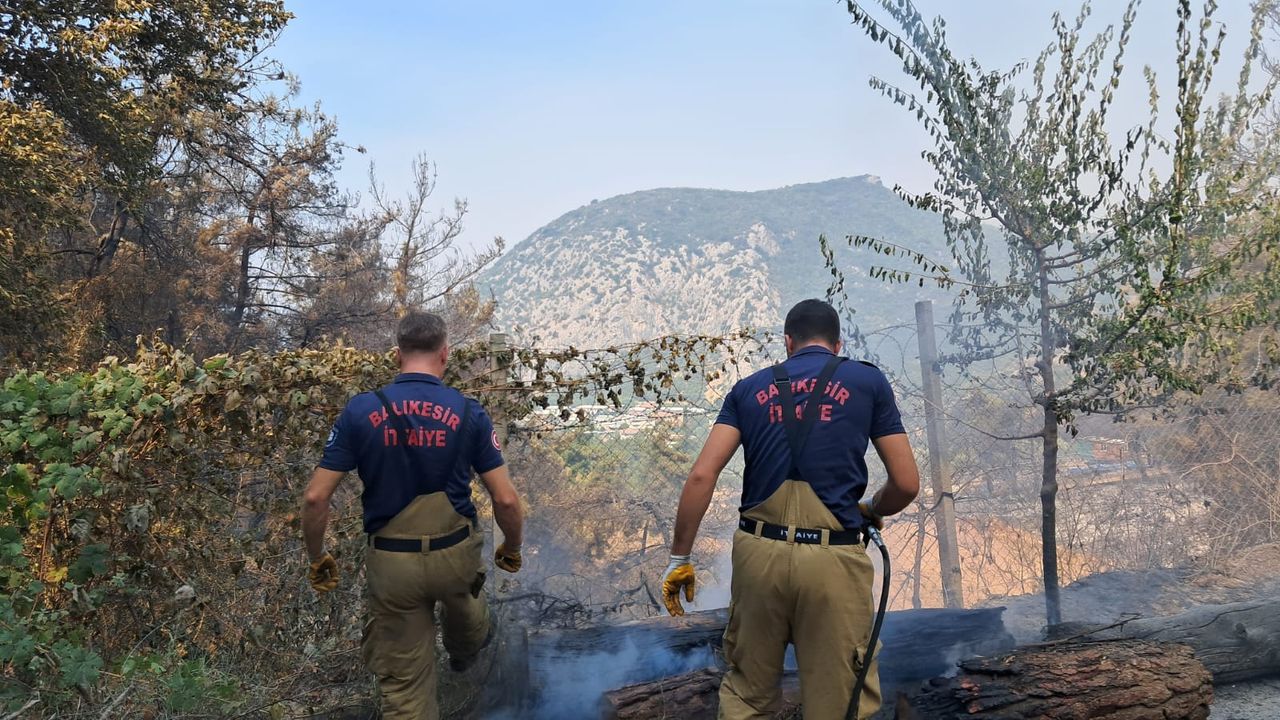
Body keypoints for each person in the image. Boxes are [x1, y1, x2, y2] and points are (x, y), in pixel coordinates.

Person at [662, 298, 921, 720]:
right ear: (837, 345)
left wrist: (680, 559)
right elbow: (907, 483)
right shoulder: (867, 382)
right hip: (832, 559)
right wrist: (871, 507)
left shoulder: (747, 390)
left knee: (748, 698)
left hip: (758, 558)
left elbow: (700, 478)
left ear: (787, 343)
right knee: (837, 703)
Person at [301, 311, 525, 720]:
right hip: (454, 557)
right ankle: (468, 642)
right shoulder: (468, 411)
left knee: (405, 692)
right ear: (445, 354)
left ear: (396, 354)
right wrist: (511, 546)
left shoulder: (360, 411)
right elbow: (506, 501)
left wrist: (318, 557)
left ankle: (455, 651)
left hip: (393, 566)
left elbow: (316, 498)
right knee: (466, 605)